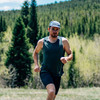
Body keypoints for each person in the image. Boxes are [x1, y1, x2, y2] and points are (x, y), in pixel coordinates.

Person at [33, 21, 73, 100]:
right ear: (49, 29)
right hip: (45, 71)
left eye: (57, 29)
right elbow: (35, 53)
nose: (55, 31)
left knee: (53, 96)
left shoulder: (64, 41)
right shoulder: (42, 42)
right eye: (53, 29)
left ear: (59, 30)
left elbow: (70, 54)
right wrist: (36, 65)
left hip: (57, 73)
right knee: (51, 91)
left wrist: (66, 58)